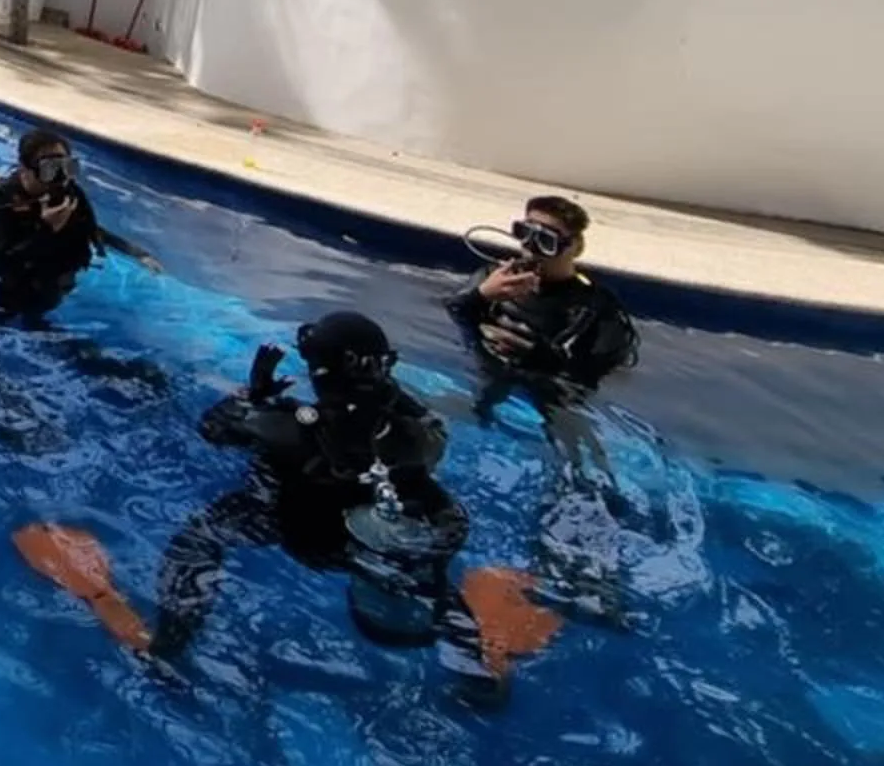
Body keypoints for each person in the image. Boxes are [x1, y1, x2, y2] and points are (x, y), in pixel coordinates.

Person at [152, 312, 465, 661]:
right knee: (422, 573)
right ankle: (473, 661)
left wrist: (253, 395)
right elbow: (431, 430)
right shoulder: (414, 437)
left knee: (197, 539)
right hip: (363, 542)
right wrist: (384, 391)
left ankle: (169, 644)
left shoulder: (282, 425)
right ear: (383, 366)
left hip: (291, 531)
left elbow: (212, 429)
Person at [0, 129, 163, 321]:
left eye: (67, 167)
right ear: (25, 168)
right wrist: (48, 228)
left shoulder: (68, 193)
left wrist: (138, 253)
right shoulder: (0, 203)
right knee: (2, 314)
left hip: (53, 280)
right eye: (49, 169)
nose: (60, 177)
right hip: (14, 284)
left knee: (40, 312)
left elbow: (90, 229)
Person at [449, 194, 638, 394]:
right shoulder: (491, 278)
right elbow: (451, 316)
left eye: (546, 241)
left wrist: (540, 357)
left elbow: (594, 373)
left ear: (573, 247)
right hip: (479, 371)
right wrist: (480, 296)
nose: (531, 248)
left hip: (541, 393)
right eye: (525, 233)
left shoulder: (595, 308)